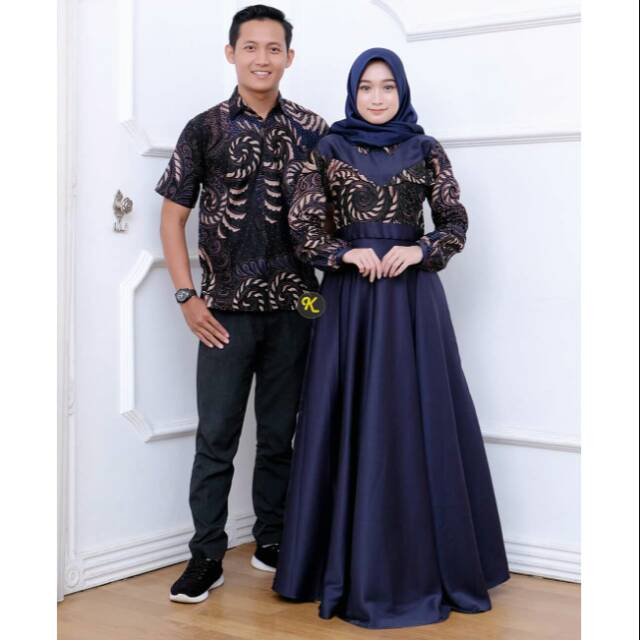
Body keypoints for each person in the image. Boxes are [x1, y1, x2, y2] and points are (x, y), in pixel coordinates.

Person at [272, 48, 511, 629]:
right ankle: (339, 565)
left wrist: (420, 249)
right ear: (352, 93)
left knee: (416, 417)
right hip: (351, 301)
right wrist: (345, 253)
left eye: (387, 87)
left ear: (401, 91)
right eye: (366, 87)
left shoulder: (426, 149)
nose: (376, 98)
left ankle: (426, 566)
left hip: (411, 300)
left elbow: (454, 222)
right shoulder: (327, 149)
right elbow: (302, 227)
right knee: (346, 416)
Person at [154, 5, 329, 604]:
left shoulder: (314, 129)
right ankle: (206, 555)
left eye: (273, 48)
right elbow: (172, 219)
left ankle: (272, 539)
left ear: (289, 57)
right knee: (217, 438)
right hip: (223, 313)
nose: (262, 58)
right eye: (250, 47)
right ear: (231, 53)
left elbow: (339, 212)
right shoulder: (203, 128)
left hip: (296, 309)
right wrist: (187, 297)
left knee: (281, 436)